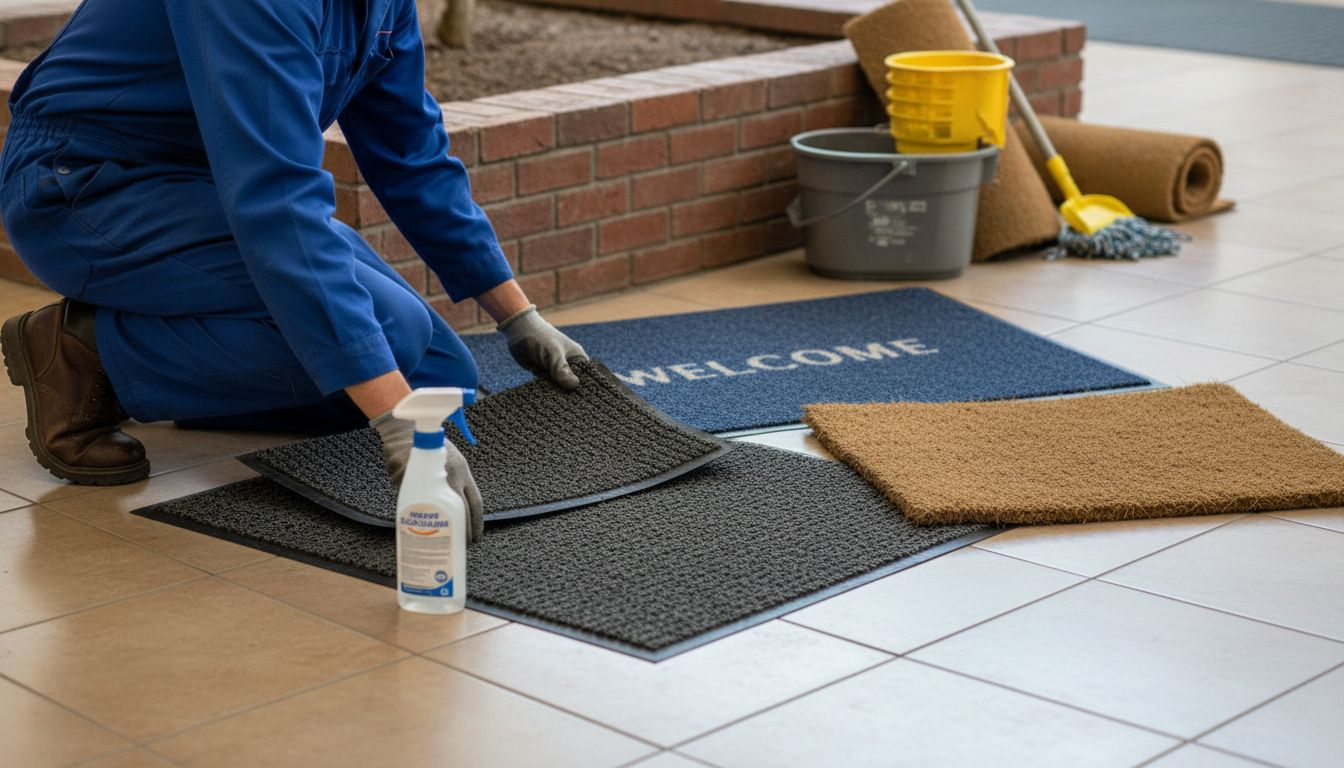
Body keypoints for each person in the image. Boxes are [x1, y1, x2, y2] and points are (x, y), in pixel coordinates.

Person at [0, 0, 587, 540]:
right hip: (88, 185)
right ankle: (87, 351)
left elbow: (413, 157)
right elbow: (278, 203)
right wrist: (394, 419)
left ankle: (192, 373)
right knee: (389, 336)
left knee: (440, 372)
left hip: (217, 184)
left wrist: (519, 318)